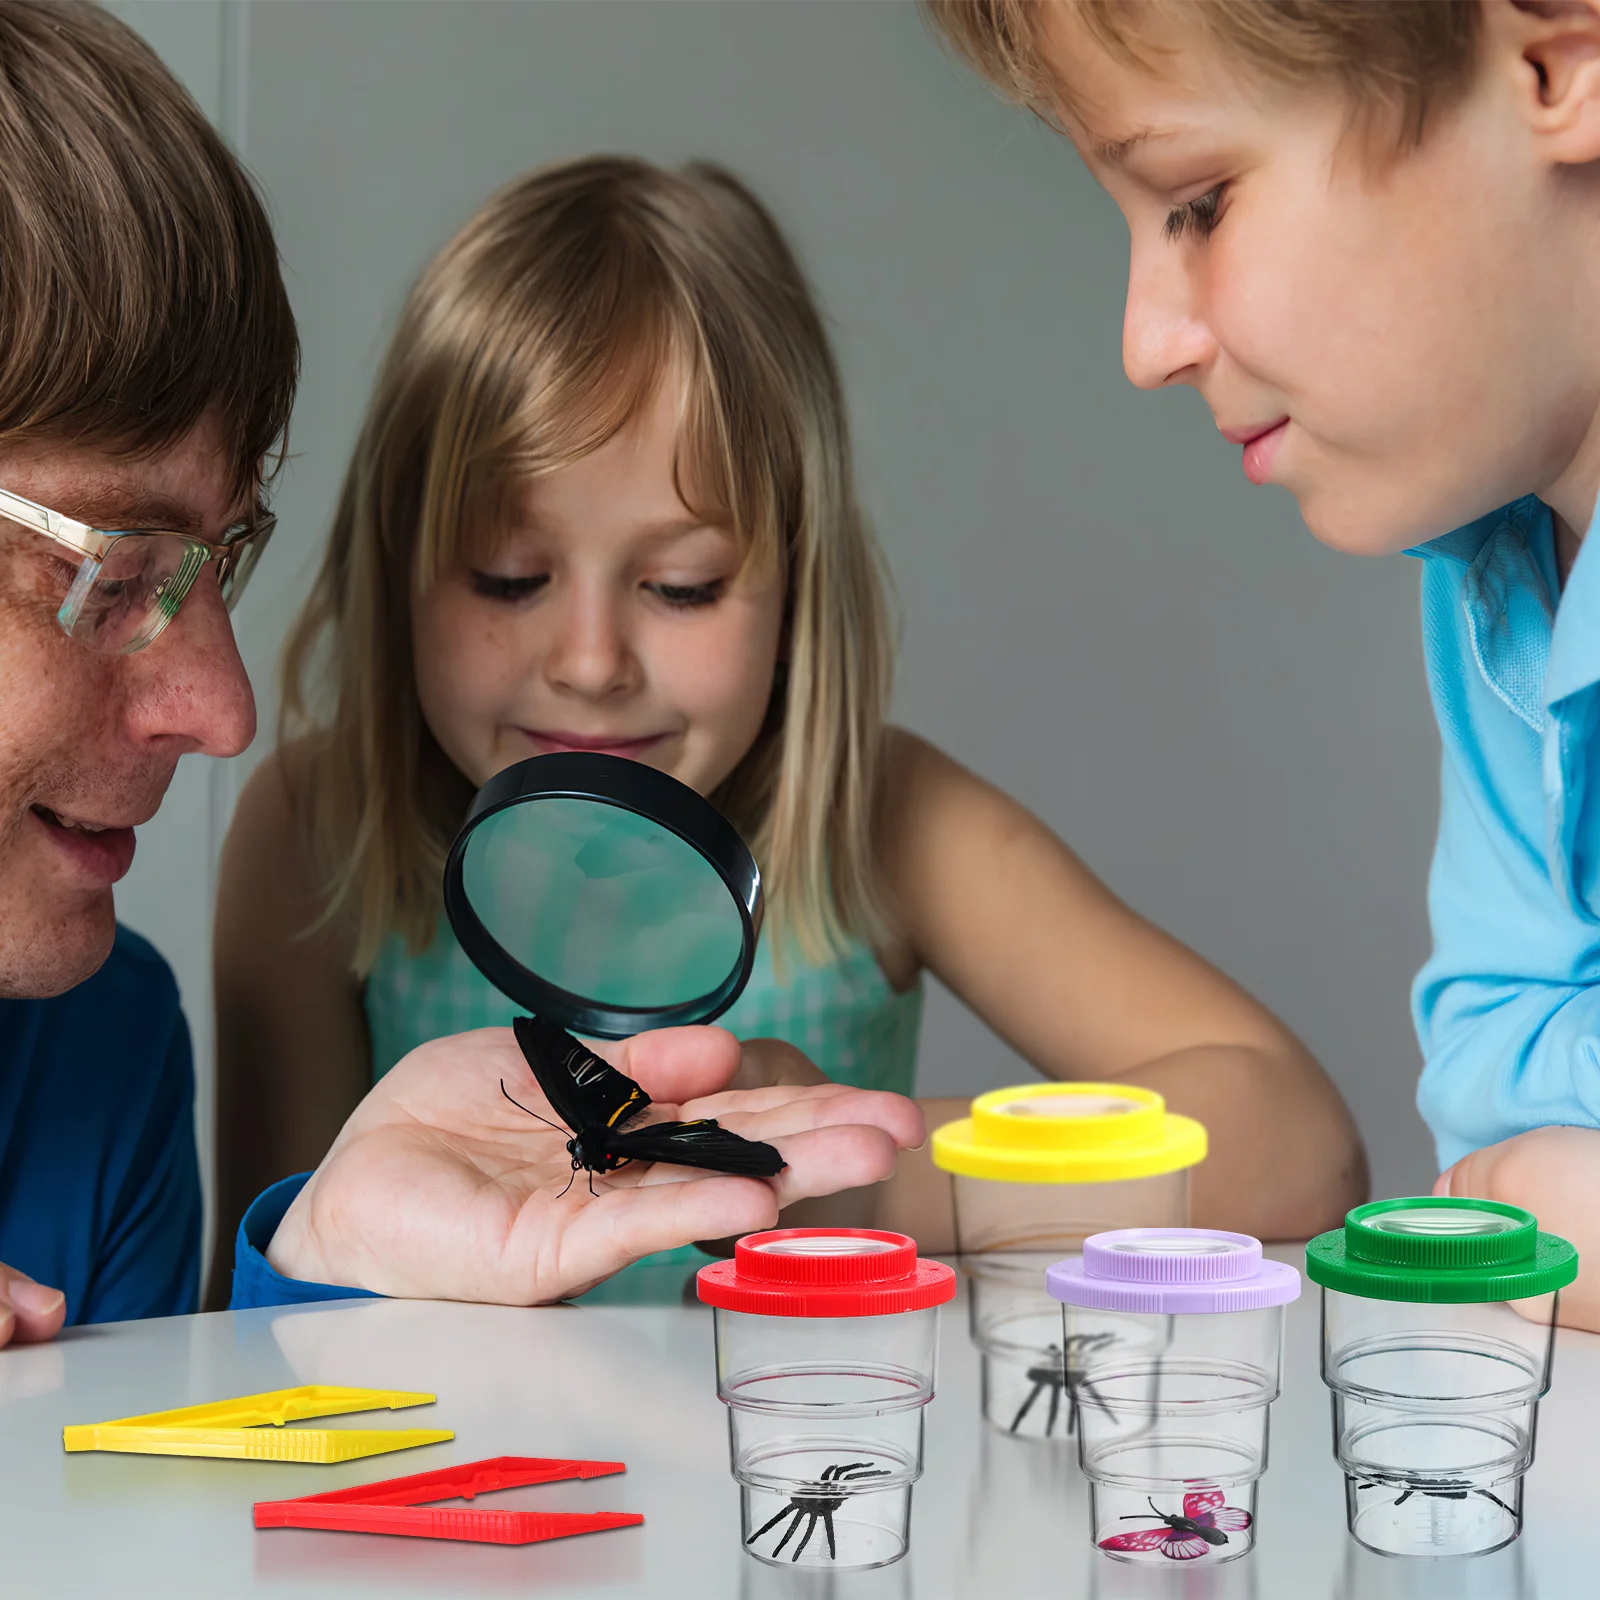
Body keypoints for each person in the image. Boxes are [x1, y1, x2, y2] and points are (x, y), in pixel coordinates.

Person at [213, 154, 1365, 1305]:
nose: (590, 662)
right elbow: (268, 1309)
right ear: (397, 573)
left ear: (795, 590)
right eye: (508, 577)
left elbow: (1294, 1136)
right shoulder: (318, 829)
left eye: (682, 586)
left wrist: (850, 1182)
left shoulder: (885, 822)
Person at [0, 0, 921, 1348]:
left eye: (214, 564)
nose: (227, 713)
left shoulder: (105, 1047)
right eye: (111, 572)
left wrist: (320, 1255)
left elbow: (162, 1497)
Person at [925, 0, 1600, 1329]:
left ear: (1555, 64)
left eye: (1197, 205)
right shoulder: (1502, 577)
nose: (1146, 343)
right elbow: (1498, 1111)